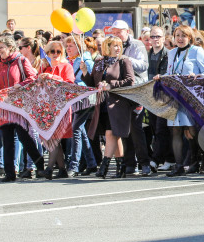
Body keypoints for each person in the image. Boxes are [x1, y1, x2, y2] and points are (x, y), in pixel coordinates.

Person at [159, 25, 204, 176]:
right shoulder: (171, 52)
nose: (180, 39)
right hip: (175, 96)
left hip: (192, 96)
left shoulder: (197, 51)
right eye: (177, 36)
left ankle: (198, 160)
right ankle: (179, 165)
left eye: (183, 36)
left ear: (190, 37)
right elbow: (170, 72)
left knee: (192, 130)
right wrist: (162, 78)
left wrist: (196, 76)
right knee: (176, 130)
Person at [0, 36, 46, 182]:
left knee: (24, 137)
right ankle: (10, 174)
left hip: (19, 106)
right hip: (5, 107)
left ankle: (39, 163)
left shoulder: (21, 60)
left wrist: (21, 85)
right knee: (7, 140)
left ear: (10, 48)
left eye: (2, 47)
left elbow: (33, 77)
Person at [81, 36, 135, 179]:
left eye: (119, 45)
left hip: (118, 104)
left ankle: (104, 167)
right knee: (114, 135)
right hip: (102, 104)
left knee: (110, 134)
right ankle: (121, 167)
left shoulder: (124, 61)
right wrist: (85, 72)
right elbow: (92, 82)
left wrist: (110, 86)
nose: (118, 48)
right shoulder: (99, 61)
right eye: (114, 46)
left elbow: (130, 80)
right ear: (107, 47)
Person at [111, 20, 152, 176]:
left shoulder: (136, 45)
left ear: (127, 31)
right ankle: (130, 163)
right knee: (124, 129)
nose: (116, 35)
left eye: (119, 32)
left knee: (136, 128)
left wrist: (124, 59)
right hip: (120, 91)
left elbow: (143, 66)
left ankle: (144, 163)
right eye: (113, 32)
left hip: (136, 90)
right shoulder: (112, 46)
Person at [37, 40, 75, 179]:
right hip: (47, 108)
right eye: (52, 51)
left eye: (58, 51)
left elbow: (70, 84)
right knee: (52, 139)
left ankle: (48, 169)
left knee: (55, 138)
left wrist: (53, 77)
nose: (55, 54)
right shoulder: (44, 69)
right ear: (47, 53)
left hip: (62, 107)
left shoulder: (66, 67)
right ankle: (62, 169)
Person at [63, 35, 97, 176]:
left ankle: (74, 166)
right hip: (73, 98)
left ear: (78, 47)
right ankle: (91, 163)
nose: (68, 48)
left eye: (71, 46)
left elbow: (92, 80)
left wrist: (83, 73)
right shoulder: (67, 61)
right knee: (80, 130)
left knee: (76, 128)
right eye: (67, 46)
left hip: (85, 98)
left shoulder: (85, 60)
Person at [146, 26, 174, 171]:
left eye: (158, 36)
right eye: (153, 37)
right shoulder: (148, 54)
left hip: (164, 96)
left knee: (161, 129)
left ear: (164, 38)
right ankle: (169, 158)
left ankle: (155, 160)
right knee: (155, 129)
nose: (155, 39)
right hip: (150, 97)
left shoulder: (168, 55)